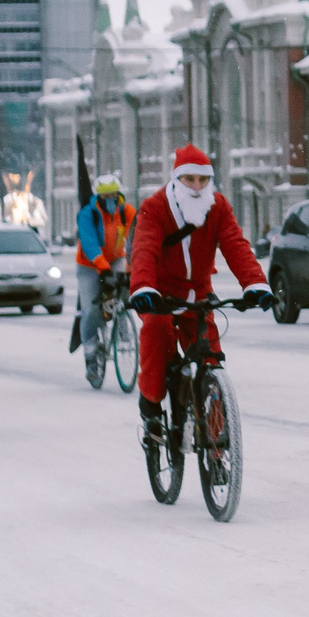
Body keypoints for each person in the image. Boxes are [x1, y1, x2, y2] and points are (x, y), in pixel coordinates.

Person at [125, 147, 272, 448]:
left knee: (211, 358)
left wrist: (255, 283)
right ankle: (151, 409)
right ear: (176, 179)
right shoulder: (154, 207)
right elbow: (145, 249)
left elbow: (236, 245)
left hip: (198, 296)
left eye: (203, 180)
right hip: (159, 296)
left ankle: (218, 447)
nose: (196, 187)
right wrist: (143, 287)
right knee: (155, 336)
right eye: (189, 179)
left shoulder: (217, 206)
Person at [72, 174, 132, 366]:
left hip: (115, 258)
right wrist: (103, 268)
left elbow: (136, 239)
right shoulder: (87, 214)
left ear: (119, 195)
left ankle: (123, 326)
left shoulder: (127, 212)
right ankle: (90, 350)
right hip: (89, 265)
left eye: (113, 195)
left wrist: (132, 268)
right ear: (98, 197)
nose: (110, 200)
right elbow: (89, 243)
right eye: (105, 196)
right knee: (89, 308)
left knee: (127, 289)